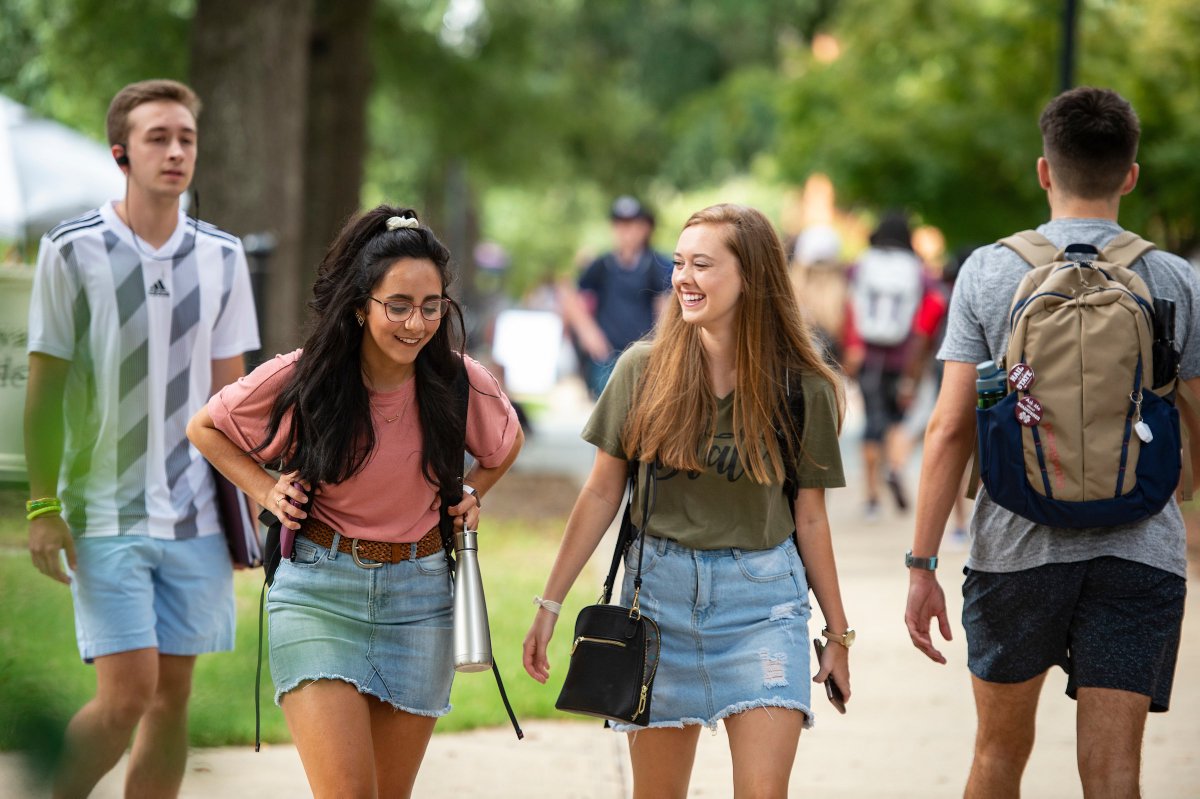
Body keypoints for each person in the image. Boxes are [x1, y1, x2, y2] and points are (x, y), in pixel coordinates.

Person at [905, 87, 1197, 798]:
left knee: (997, 758)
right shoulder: (1174, 277)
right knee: (1114, 772)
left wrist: (921, 563)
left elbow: (947, 428)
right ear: (1129, 175)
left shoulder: (988, 270)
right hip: (1140, 549)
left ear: (1044, 171)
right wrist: (1181, 495)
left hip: (1014, 548)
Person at [187, 205, 523, 798]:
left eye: (431, 306)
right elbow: (205, 428)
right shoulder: (304, 377)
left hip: (421, 600)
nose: (416, 324)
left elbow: (505, 444)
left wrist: (474, 493)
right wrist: (265, 487)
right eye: (398, 305)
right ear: (361, 304)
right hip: (319, 594)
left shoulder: (459, 381)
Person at [524, 203, 852, 797]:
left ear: (751, 276)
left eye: (702, 264)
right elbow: (601, 492)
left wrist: (838, 633)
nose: (683, 278)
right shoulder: (642, 370)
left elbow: (810, 517)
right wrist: (550, 602)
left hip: (764, 606)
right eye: (678, 264)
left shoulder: (802, 389)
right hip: (658, 606)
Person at [24, 79, 260, 797]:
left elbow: (234, 400)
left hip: (196, 518)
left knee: (171, 700)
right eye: (159, 137)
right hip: (103, 511)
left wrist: (250, 499)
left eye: (186, 137)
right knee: (127, 695)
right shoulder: (71, 250)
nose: (176, 150)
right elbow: (45, 389)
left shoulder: (223, 256)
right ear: (121, 153)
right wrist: (41, 505)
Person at [842, 211, 931, 519]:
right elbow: (928, 313)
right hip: (903, 357)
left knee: (870, 423)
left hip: (868, 356)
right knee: (896, 421)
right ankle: (894, 468)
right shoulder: (918, 270)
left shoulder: (861, 265)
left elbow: (848, 303)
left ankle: (870, 497)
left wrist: (851, 348)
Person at [559, 195, 672, 398]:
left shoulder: (656, 264)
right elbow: (571, 296)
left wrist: (660, 345)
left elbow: (666, 305)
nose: (625, 232)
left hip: (646, 356)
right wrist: (588, 332)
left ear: (645, 228)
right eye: (619, 225)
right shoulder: (603, 265)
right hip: (608, 355)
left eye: (631, 225)